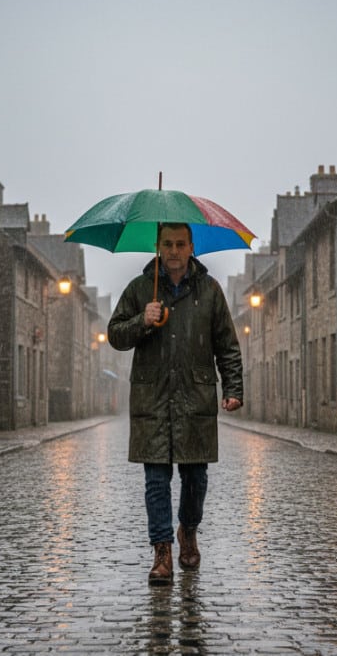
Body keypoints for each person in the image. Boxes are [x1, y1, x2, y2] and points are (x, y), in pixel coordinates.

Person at [108, 222, 244, 585]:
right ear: (158, 245)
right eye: (167, 243)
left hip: (195, 397)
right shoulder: (140, 289)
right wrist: (142, 320)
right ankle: (162, 552)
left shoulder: (210, 291)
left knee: (195, 478)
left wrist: (233, 387)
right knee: (155, 479)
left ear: (191, 247)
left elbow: (227, 345)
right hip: (151, 398)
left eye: (180, 244)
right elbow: (115, 335)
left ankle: (188, 530)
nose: (173, 250)